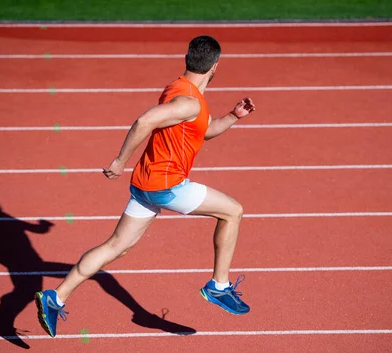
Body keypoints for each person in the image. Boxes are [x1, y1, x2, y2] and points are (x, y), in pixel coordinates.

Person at [35, 35, 256, 338]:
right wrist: (119, 160)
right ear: (216, 66)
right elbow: (144, 121)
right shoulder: (188, 101)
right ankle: (218, 286)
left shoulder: (181, 92)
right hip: (166, 185)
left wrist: (232, 116)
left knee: (117, 246)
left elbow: (201, 131)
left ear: (188, 58)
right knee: (233, 211)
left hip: (145, 184)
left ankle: (55, 298)